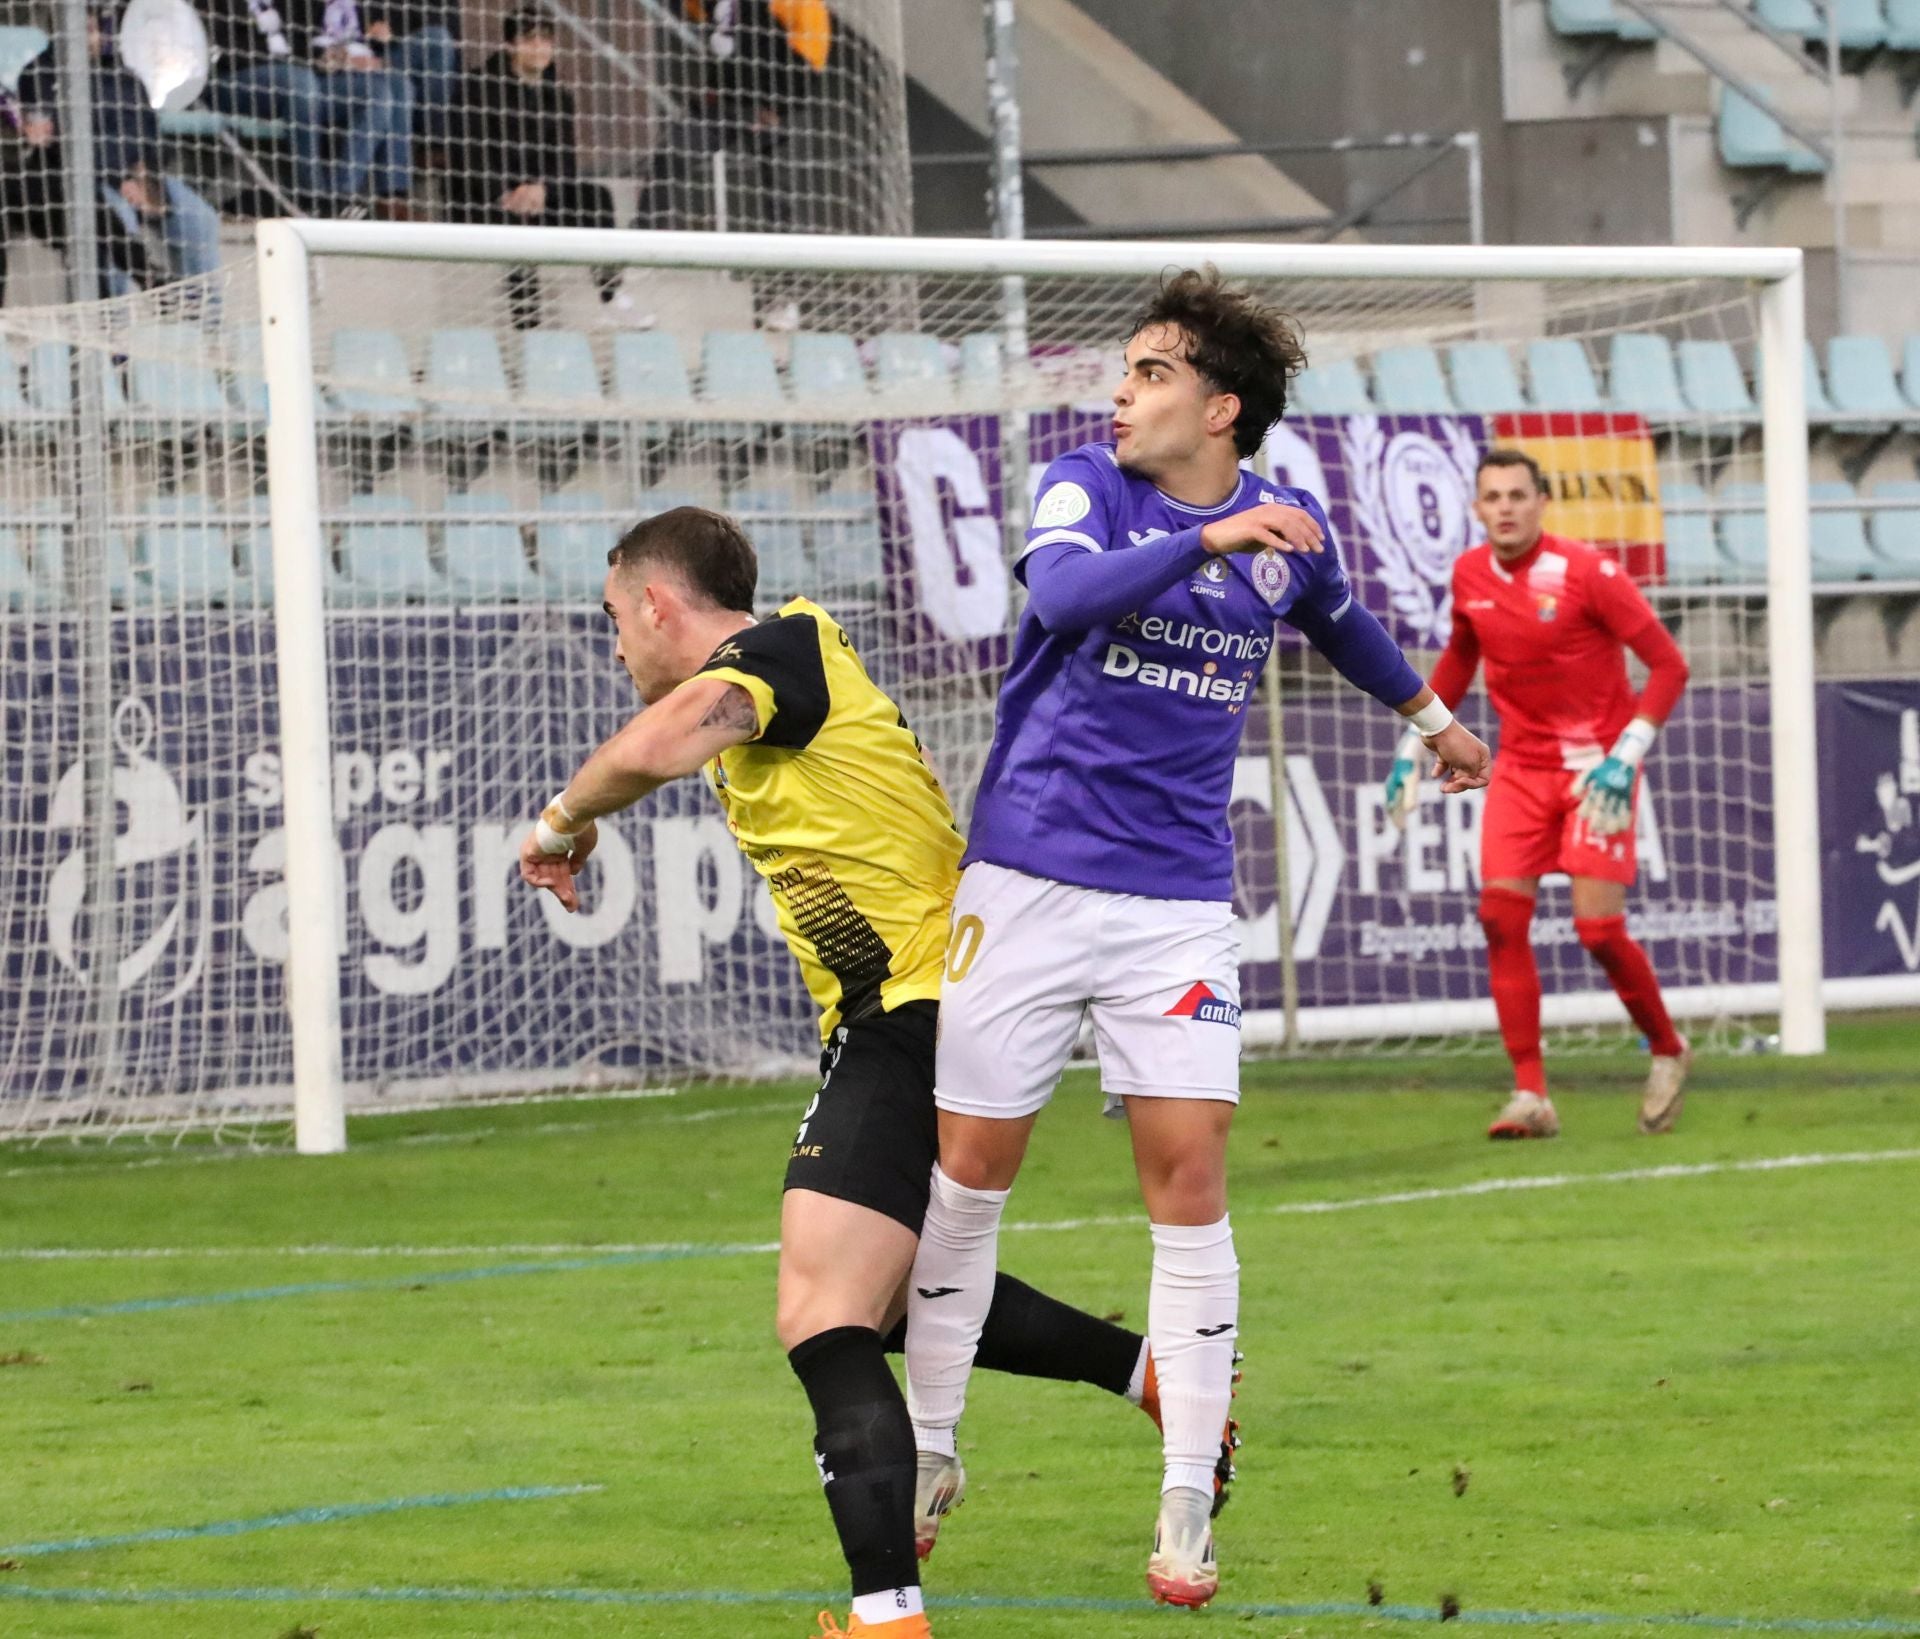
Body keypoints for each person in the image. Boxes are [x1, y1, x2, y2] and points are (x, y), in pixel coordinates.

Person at [519, 507, 1224, 1639]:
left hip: (911, 1010)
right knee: (894, 1302)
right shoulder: (803, 662)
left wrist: (558, 819)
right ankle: (1151, 1373)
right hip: (937, 1006)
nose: (615, 649)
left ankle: (888, 1615)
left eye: (614, 619)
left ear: (658, 602)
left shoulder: (774, 657)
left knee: (821, 1311)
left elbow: (671, 733)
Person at [902, 268, 1493, 1610]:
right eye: (1126, 370)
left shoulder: (1285, 535)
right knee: (971, 1175)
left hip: (1172, 901)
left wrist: (1436, 723)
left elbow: (1337, 620)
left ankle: (1184, 1496)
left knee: (1192, 1176)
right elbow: (1059, 602)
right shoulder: (1085, 485)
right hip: (1030, 881)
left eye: (1152, 373)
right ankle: (932, 1449)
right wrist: (1212, 545)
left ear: (1221, 407)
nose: (1124, 391)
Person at [1383, 449, 1692, 1140]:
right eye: (1492, 496)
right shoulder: (1468, 574)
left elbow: (1670, 665)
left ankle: (1668, 1049)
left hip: (1597, 769)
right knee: (1498, 915)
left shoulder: (1589, 573)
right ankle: (1530, 1094)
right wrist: (1414, 744)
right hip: (1520, 766)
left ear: (1542, 501)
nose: (1505, 507)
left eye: (1518, 494)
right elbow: (1462, 654)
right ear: (1476, 508)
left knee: (1597, 930)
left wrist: (1627, 755)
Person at [444, 1, 618, 329]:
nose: (539, 48)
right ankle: (528, 326)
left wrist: (543, 189)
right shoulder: (477, 89)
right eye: (530, 39)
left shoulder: (559, 98)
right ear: (511, 45)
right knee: (517, 228)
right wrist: (504, 194)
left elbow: (565, 163)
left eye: (545, 40)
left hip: (538, 200)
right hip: (488, 202)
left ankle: (612, 296)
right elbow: (470, 155)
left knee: (598, 198)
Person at [201, 0, 414, 213]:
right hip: (234, 79)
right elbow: (222, 51)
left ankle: (340, 195)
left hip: (300, 77)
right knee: (300, 83)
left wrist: (328, 58)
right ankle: (313, 195)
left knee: (376, 93)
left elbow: (308, 41)